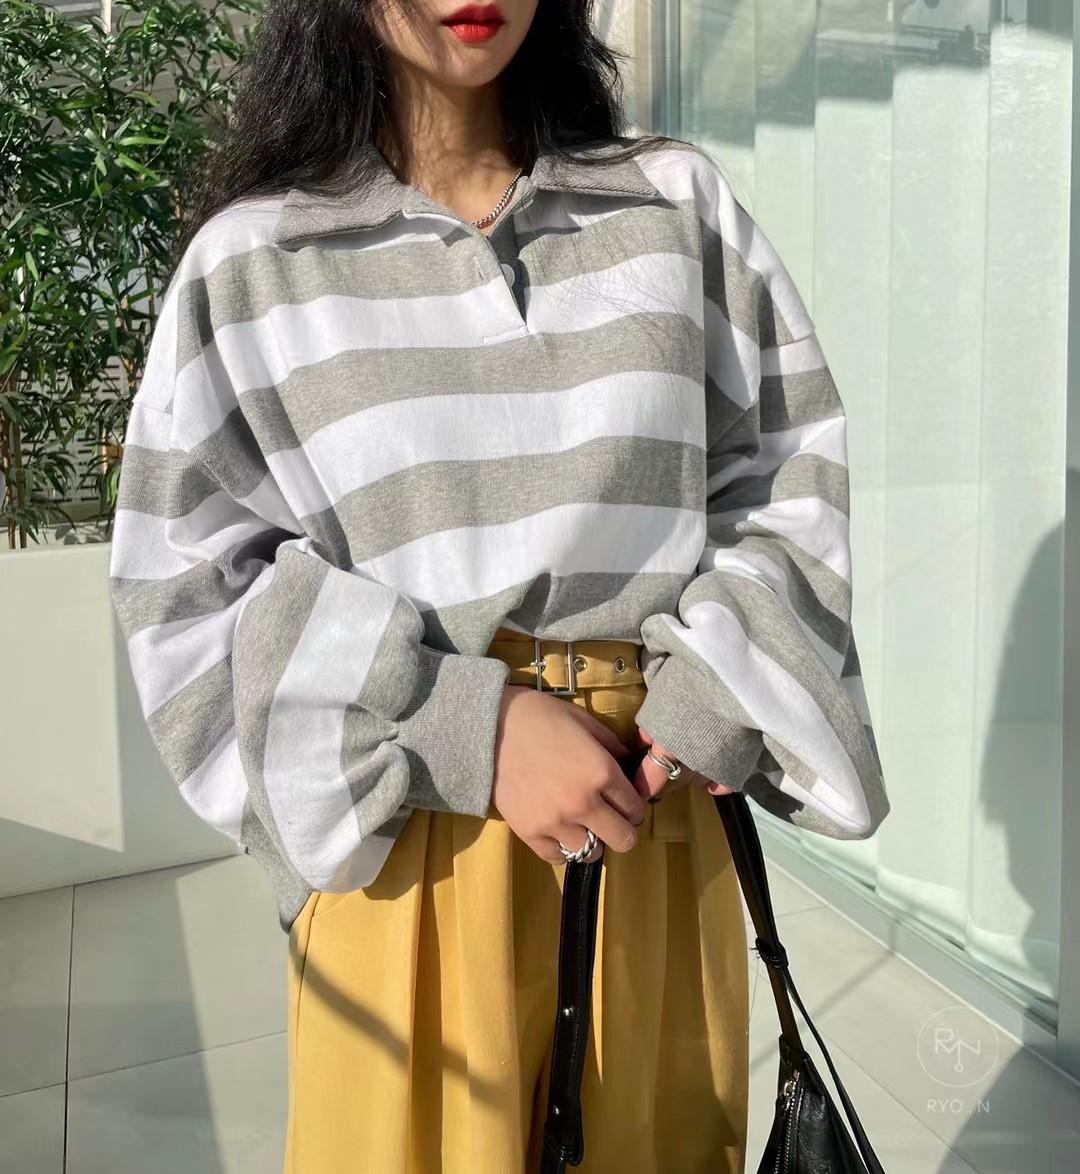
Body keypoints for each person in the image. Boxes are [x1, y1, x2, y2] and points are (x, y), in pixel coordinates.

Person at [107, 0, 890, 1170]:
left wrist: (709, 693)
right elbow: (189, 585)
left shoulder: (672, 208)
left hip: (650, 824)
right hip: (410, 850)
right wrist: (466, 725)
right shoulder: (257, 261)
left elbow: (785, 466)